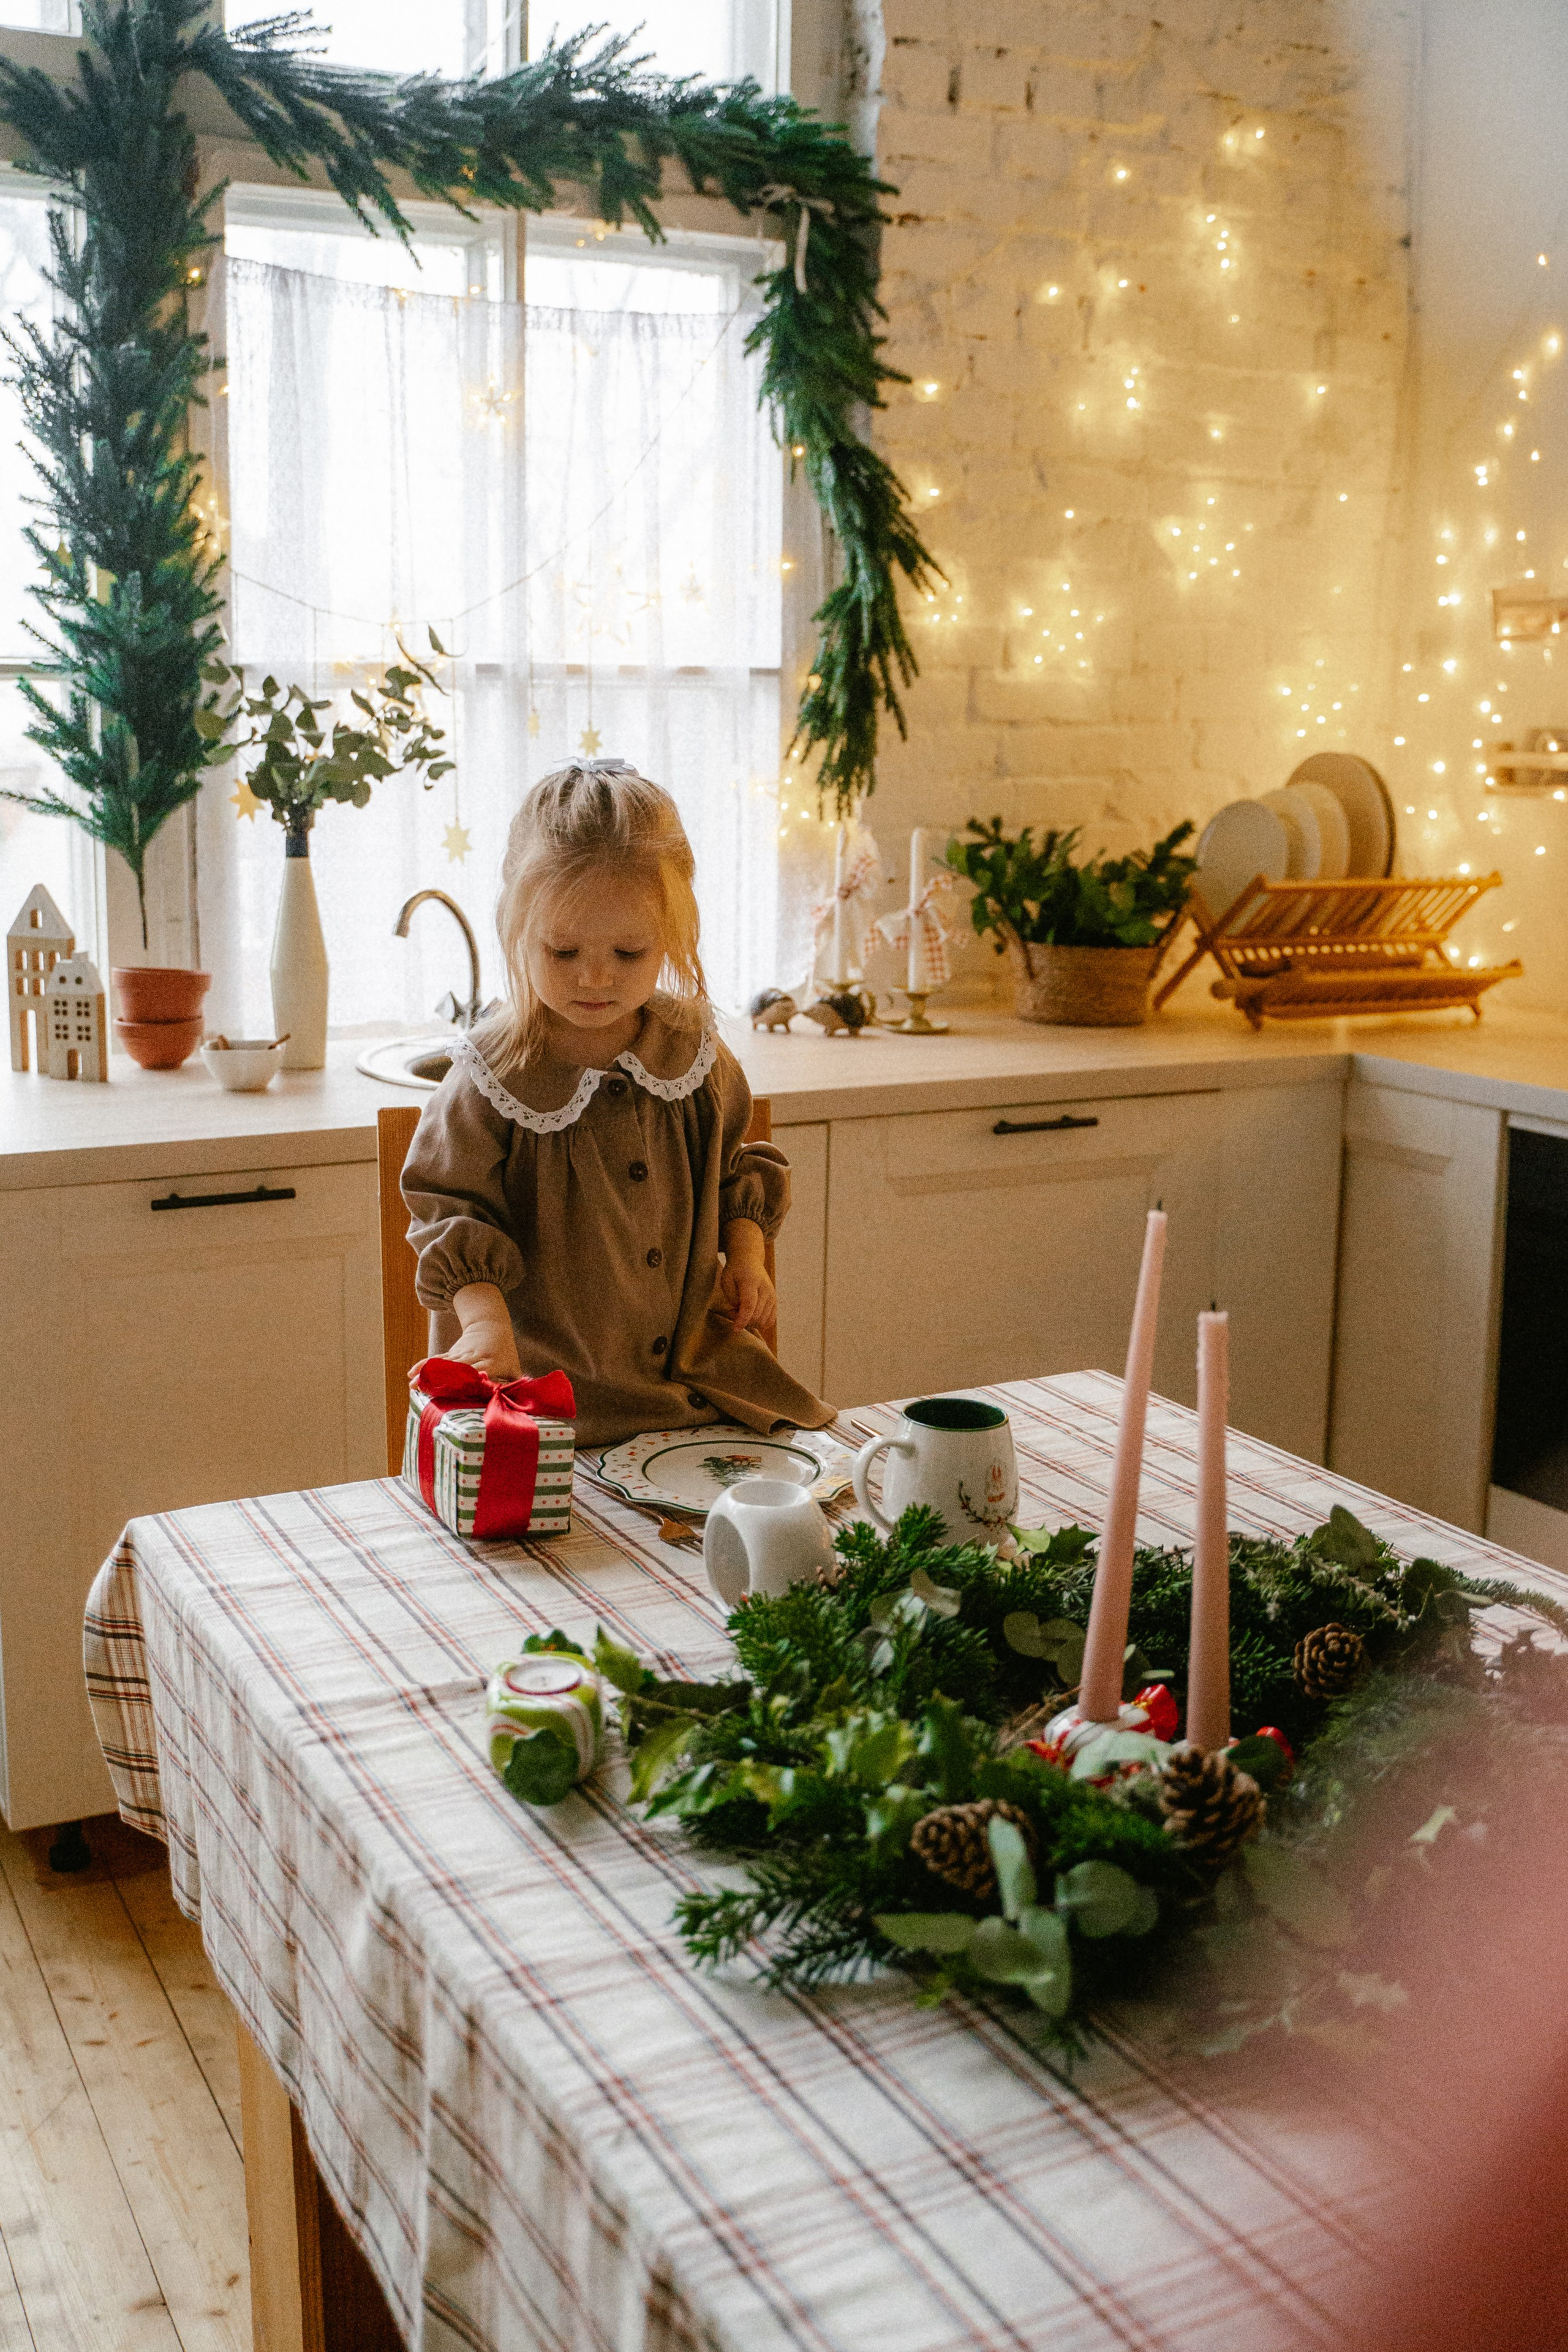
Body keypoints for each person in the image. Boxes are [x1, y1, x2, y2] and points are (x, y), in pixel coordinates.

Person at [401, 757, 833, 1447]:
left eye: (629, 952)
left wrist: (746, 1259)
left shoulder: (693, 1052)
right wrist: (482, 1327)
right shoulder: (491, 1077)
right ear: (517, 927)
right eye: (564, 949)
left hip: (701, 1390)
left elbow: (734, 1173)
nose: (595, 976)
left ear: (671, 936)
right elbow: (450, 1212)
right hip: (541, 1406)